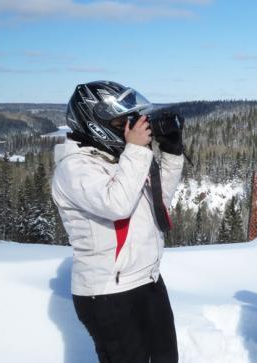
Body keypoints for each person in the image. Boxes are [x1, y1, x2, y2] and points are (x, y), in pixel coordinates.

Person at [52, 80, 185, 363]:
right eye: (121, 120)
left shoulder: (119, 158)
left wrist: (172, 153)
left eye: (132, 119)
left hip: (147, 280)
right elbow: (117, 205)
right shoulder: (74, 167)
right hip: (108, 294)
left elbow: (158, 205)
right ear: (94, 122)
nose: (131, 126)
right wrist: (137, 150)